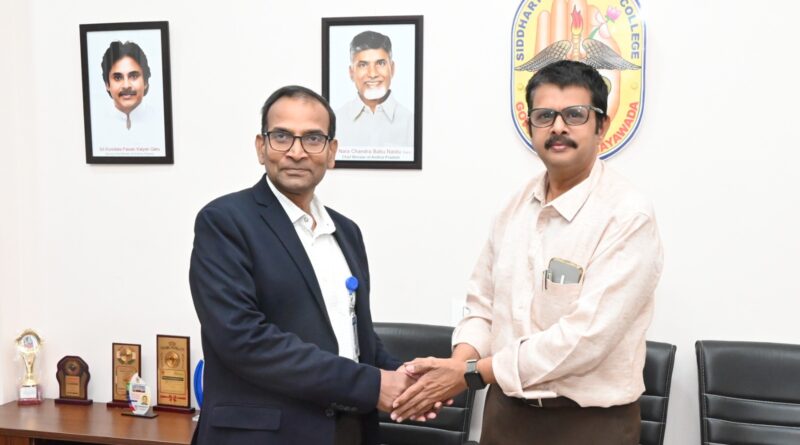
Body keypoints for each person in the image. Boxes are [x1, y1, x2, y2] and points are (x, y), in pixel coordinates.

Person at [390, 61, 664, 445]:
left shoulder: (627, 215)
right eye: (544, 116)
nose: (558, 127)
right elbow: (482, 305)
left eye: (575, 115)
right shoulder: (514, 207)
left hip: (589, 424)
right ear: (529, 125)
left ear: (601, 125)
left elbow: (585, 339)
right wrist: (457, 364)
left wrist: (470, 374)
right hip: (506, 414)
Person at [189, 85, 420, 444]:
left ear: (331, 152)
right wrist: (374, 385)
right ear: (261, 147)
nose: (296, 152)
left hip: (348, 430)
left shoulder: (346, 232)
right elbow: (244, 339)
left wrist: (410, 380)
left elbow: (353, 335)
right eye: (282, 136)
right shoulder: (224, 222)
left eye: (313, 138)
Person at [335, 30, 414, 153]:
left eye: (381, 63)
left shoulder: (410, 122)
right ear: (351, 73)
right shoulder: (336, 121)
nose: (372, 74)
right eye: (363, 65)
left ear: (392, 69)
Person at [92, 40, 163, 152]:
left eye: (133, 76)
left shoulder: (160, 121)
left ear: (145, 82)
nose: (126, 86)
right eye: (118, 78)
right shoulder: (96, 126)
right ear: (107, 85)